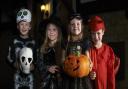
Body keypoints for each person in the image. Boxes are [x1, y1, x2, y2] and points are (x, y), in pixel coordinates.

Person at [7, 8, 37, 89]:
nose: (24, 27)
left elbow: (37, 57)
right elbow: (9, 56)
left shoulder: (33, 42)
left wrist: (34, 65)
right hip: (17, 75)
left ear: (30, 27)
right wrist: (14, 63)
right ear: (17, 26)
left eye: (26, 24)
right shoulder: (13, 41)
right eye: (21, 24)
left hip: (30, 76)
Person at [62, 13, 93, 89]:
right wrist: (64, 65)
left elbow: (87, 58)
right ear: (69, 27)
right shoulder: (65, 42)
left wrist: (90, 64)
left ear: (82, 26)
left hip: (83, 81)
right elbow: (62, 59)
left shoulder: (85, 41)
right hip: (69, 80)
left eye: (78, 24)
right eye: (72, 24)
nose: (75, 26)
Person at [88, 16, 117, 89]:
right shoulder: (88, 50)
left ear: (103, 32)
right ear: (90, 34)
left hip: (104, 85)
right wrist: (89, 74)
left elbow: (111, 73)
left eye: (98, 33)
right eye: (93, 34)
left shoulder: (108, 50)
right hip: (90, 85)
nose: (96, 37)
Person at [37, 18, 63, 89]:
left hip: (60, 82)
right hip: (46, 82)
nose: (51, 32)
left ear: (58, 32)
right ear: (46, 31)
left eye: (54, 29)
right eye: (49, 29)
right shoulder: (42, 48)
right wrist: (48, 68)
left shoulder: (62, 47)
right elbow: (39, 64)